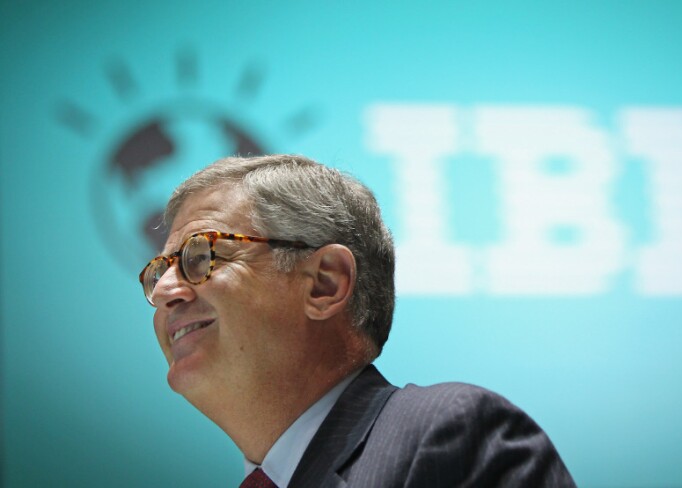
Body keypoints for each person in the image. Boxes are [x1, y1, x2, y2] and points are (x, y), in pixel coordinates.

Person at [139, 154, 576, 487]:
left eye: (201, 255)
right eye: (160, 271)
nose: (163, 292)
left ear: (325, 283)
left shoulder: (449, 438)